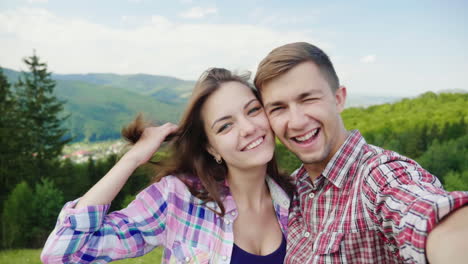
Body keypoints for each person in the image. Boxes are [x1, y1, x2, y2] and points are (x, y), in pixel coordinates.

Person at [41, 68, 294, 264]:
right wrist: (132, 158)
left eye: (253, 110)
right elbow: (62, 254)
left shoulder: (297, 200)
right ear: (211, 147)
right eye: (225, 126)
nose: (249, 128)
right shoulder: (178, 198)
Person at [254, 42, 468, 264]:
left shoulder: (380, 176)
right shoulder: (292, 189)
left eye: (308, 99)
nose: (296, 122)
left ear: (339, 99)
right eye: (278, 108)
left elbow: (426, 214)